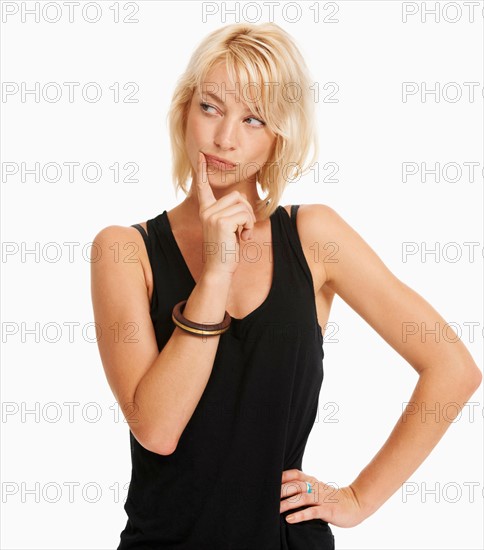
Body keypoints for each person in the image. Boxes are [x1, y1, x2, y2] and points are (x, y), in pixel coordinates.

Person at [90, 22, 482, 550]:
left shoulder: (314, 236)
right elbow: (158, 429)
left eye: (254, 119)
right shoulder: (123, 250)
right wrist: (217, 272)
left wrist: (359, 499)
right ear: (184, 109)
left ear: (280, 135)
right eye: (210, 107)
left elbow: (453, 368)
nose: (225, 138)